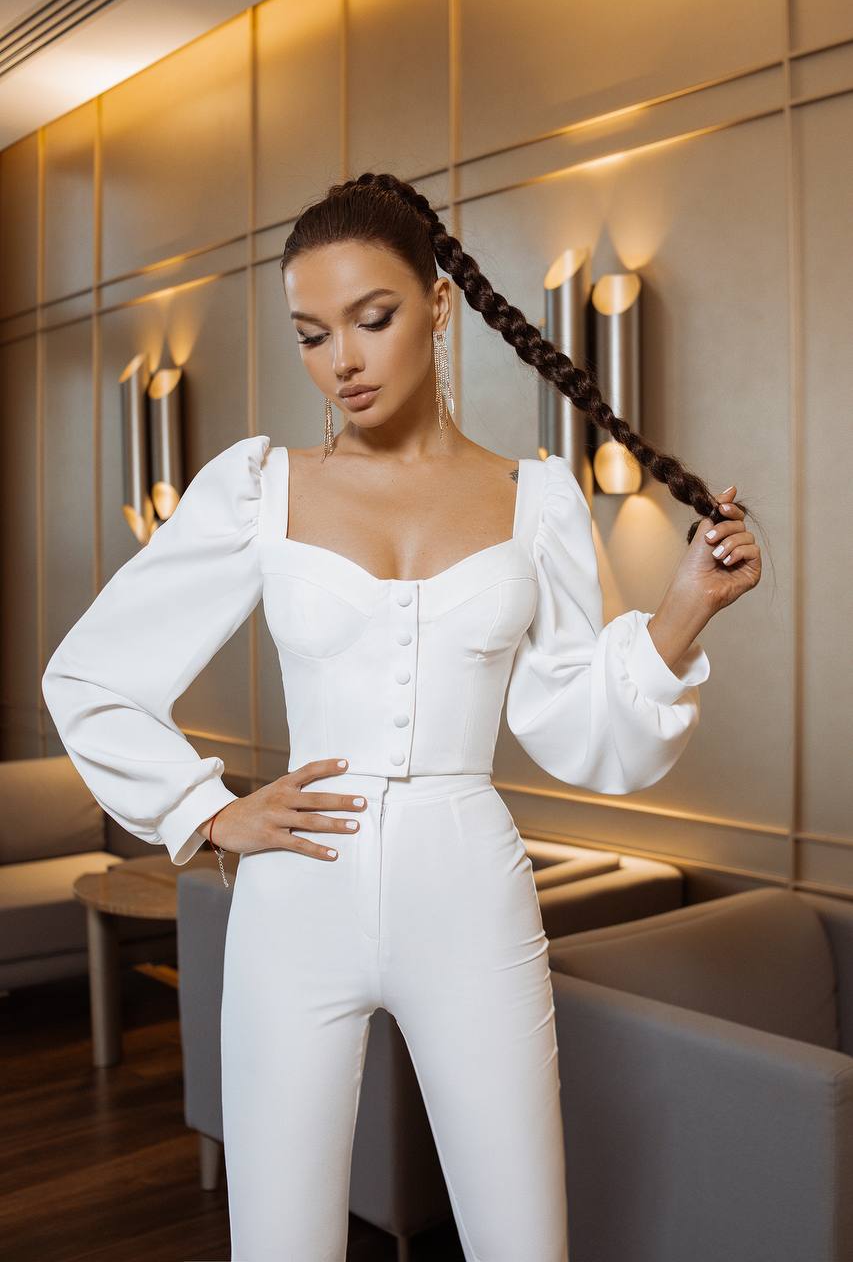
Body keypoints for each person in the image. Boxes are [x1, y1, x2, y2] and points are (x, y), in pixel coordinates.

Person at [41, 171, 761, 1262]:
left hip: (468, 887)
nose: (343, 358)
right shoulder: (258, 488)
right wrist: (205, 810)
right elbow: (90, 673)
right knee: (280, 1242)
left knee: (523, 1241)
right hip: (298, 887)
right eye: (311, 333)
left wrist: (683, 610)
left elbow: (571, 723)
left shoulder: (538, 501)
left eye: (372, 318)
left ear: (435, 306)